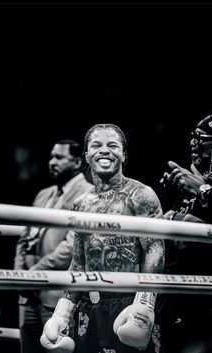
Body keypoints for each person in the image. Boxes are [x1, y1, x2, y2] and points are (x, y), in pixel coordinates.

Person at [40, 123, 165, 353]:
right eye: (96, 145)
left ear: (124, 155)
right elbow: (78, 261)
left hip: (129, 303)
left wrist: (145, 302)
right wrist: (63, 310)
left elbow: (155, 250)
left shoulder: (141, 195)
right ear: (86, 155)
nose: (104, 151)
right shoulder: (81, 203)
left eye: (112, 145)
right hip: (89, 306)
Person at [14, 139, 93, 353]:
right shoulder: (43, 194)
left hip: (56, 293)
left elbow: (72, 246)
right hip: (28, 292)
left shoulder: (88, 194)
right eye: (51, 156)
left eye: (59, 157)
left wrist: (33, 275)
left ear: (77, 162)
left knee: (56, 348)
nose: (52, 162)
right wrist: (20, 275)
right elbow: (24, 238)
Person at [160, 114, 212, 353]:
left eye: (199, 138)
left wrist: (202, 190)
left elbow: (186, 236)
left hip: (202, 294)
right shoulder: (195, 176)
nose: (193, 142)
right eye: (192, 136)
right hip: (177, 286)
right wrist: (173, 196)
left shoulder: (201, 183)